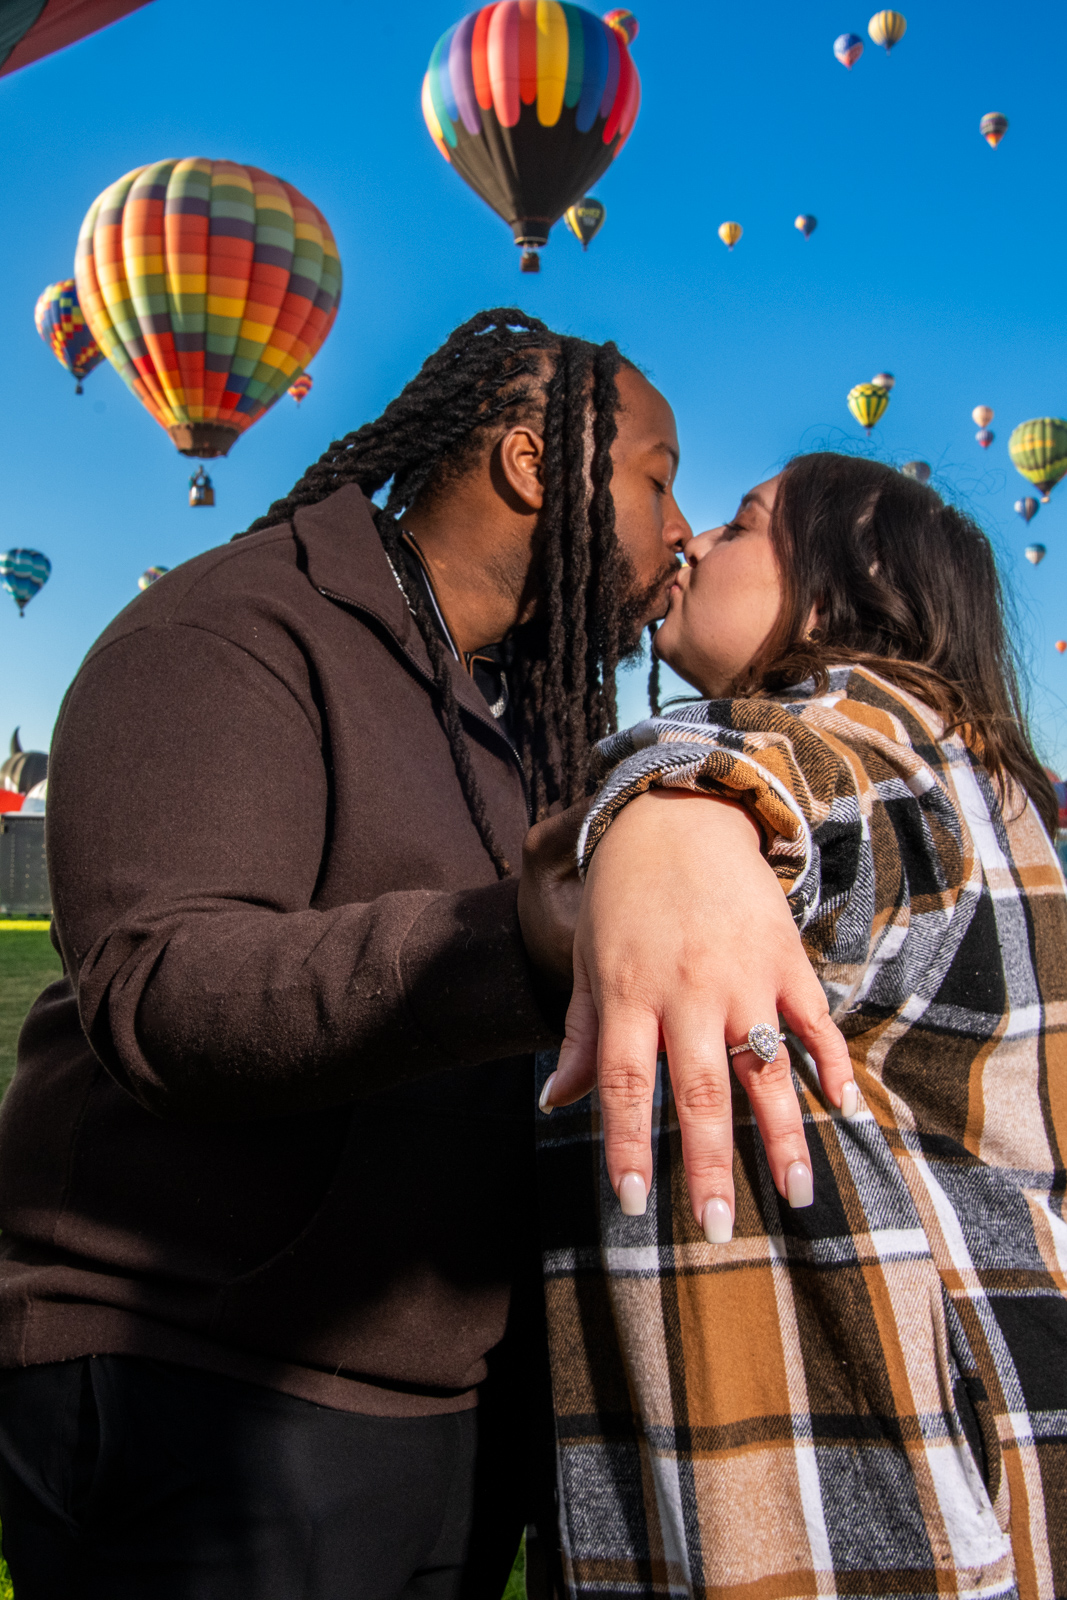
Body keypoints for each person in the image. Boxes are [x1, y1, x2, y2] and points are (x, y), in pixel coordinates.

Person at [0, 314, 846, 1600]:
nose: (679, 530)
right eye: (658, 478)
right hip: (201, 1376)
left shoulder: (520, 708)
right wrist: (519, 935)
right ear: (530, 466)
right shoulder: (234, 629)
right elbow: (166, 991)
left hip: (448, 1401)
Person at [539, 453, 1067, 1600]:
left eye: (737, 524)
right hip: (975, 1458)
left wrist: (679, 808)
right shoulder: (992, 775)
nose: (687, 545)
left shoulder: (882, 728)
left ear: (842, 584)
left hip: (860, 1504)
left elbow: (806, 777)